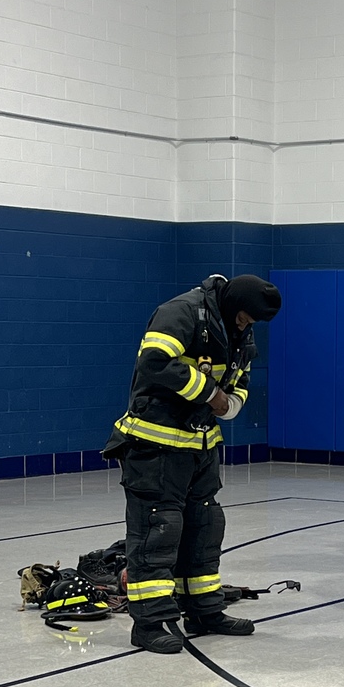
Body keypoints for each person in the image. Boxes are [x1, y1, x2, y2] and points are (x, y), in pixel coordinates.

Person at [102, 274, 282, 654]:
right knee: (159, 530)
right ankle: (150, 622)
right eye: (245, 319)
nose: (247, 327)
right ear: (234, 305)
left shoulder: (237, 325)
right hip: (156, 446)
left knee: (204, 527)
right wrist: (212, 394)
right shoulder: (180, 313)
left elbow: (241, 375)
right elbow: (154, 364)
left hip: (200, 445)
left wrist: (231, 402)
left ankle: (203, 609)